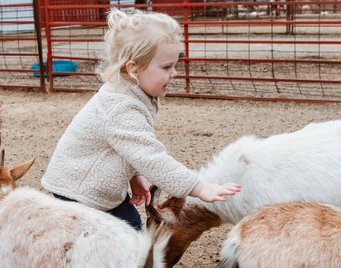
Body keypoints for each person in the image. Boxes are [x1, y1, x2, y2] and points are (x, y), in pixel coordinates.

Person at [41, 9, 241, 230]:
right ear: (134, 69)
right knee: (108, 241)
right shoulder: (120, 106)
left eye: (174, 65)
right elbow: (150, 157)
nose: (174, 73)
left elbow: (127, 145)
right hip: (79, 195)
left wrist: (134, 176)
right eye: (166, 67)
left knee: (133, 228)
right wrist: (199, 187)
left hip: (100, 192)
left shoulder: (134, 94)